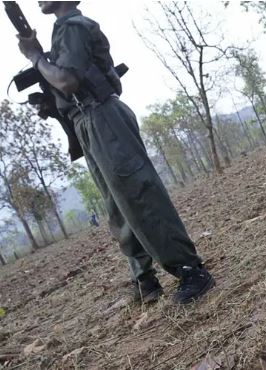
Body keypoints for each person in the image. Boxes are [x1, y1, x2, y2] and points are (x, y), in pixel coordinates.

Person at [16, 1, 215, 304]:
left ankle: (191, 270)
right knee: (118, 206)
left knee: (139, 194)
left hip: (102, 118)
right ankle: (144, 278)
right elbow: (65, 83)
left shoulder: (73, 27)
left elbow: (68, 81)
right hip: (88, 122)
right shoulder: (62, 31)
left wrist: (35, 56)